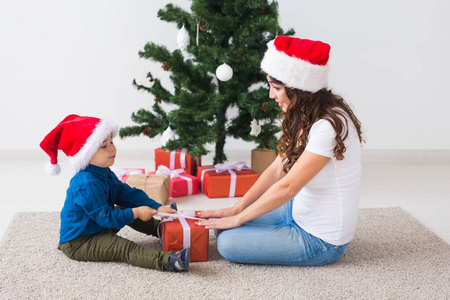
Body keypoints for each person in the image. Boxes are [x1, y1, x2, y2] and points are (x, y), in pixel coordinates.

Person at [197, 36, 364, 266]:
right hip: (298, 211)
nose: (271, 95)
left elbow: (288, 187)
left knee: (228, 243)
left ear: (299, 89)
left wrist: (238, 219)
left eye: (276, 88)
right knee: (223, 228)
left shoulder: (327, 126)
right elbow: (277, 170)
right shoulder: (305, 113)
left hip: (321, 240)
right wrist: (237, 208)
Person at [40, 114, 190, 271]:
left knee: (125, 210)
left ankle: (163, 231)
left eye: (111, 142)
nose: (111, 148)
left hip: (97, 225)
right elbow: (107, 218)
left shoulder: (103, 172)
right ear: (87, 154)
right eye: (103, 146)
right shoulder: (87, 184)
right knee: (123, 247)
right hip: (80, 241)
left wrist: (157, 207)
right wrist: (137, 212)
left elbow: (126, 193)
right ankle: (171, 261)